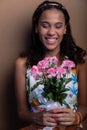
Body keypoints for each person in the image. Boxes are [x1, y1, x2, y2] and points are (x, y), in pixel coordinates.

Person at [15, 1, 87, 130]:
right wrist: (36, 117)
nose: (51, 32)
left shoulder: (79, 61)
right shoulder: (22, 64)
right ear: (37, 28)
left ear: (65, 29)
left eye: (58, 26)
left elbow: (84, 105)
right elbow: (22, 113)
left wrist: (77, 117)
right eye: (45, 25)